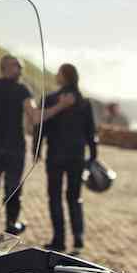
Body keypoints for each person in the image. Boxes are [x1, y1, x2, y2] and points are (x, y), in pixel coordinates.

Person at [0, 55, 74, 233]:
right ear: (4, 67)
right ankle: (7, 229)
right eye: (16, 65)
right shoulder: (22, 90)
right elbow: (35, 117)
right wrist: (61, 105)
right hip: (11, 151)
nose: (20, 69)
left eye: (21, 66)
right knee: (8, 192)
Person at [42, 63, 98, 253]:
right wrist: (93, 156)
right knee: (75, 197)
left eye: (59, 73)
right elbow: (91, 132)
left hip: (55, 155)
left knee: (55, 197)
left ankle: (58, 240)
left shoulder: (51, 99)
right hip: (76, 156)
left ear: (64, 76)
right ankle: (78, 238)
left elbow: (41, 128)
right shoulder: (84, 102)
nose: (56, 75)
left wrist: (36, 150)